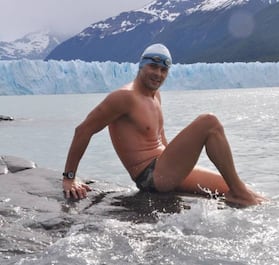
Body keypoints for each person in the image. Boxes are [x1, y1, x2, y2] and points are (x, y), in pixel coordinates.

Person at [62, 43, 264, 206]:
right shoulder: (124, 97)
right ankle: (239, 193)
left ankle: (240, 193)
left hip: (166, 169)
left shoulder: (154, 96)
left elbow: (160, 138)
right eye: (153, 67)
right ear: (141, 65)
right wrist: (69, 178)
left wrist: (178, 166)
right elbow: (83, 130)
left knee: (247, 193)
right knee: (209, 122)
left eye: (163, 69)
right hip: (151, 177)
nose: (158, 74)